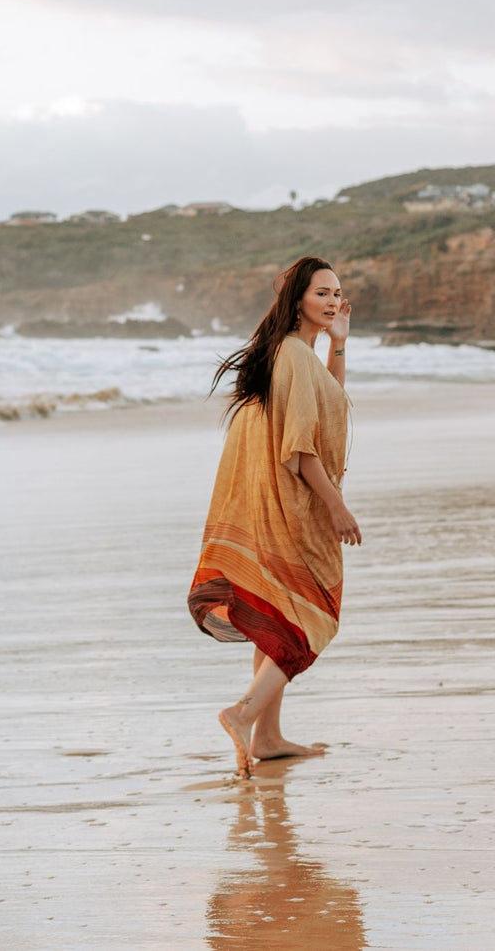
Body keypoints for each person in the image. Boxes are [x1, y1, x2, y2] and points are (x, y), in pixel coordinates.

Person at [187, 256, 362, 778]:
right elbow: (301, 448)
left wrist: (340, 344)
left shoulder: (296, 353)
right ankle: (243, 714)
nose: (332, 301)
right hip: (292, 508)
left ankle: (267, 737)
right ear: (298, 300)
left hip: (280, 505)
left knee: (278, 620)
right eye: (322, 294)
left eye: (337, 293)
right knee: (310, 623)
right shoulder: (290, 354)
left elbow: (329, 399)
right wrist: (338, 508)